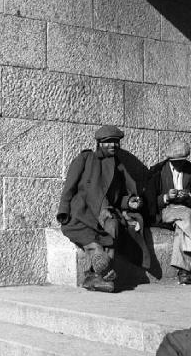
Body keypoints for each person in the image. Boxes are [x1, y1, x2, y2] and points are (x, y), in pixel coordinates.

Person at [56, 125, 148, 293]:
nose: (113, 145)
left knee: (113, 228)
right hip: (82, 213)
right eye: (108, 142)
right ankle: (103, 274)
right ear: (99, 143)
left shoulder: (118, 167)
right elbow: (69, 187)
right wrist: (64, 211)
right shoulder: (85, 159)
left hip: (105, 213)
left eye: (116, 142)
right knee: (96, 247)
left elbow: (118, 197)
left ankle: (95, 276)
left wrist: (129, 203)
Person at [146, 140, 191, 284]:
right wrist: (166, 197)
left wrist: (189, 196)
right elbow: (150, 200)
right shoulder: (158, 172)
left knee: (181, 228)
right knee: (186, 215)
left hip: (188, 210)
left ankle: (184, 272)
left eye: (182, 161)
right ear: (170, 159)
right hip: (167, 211)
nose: (179, 164)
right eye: (176, 162)